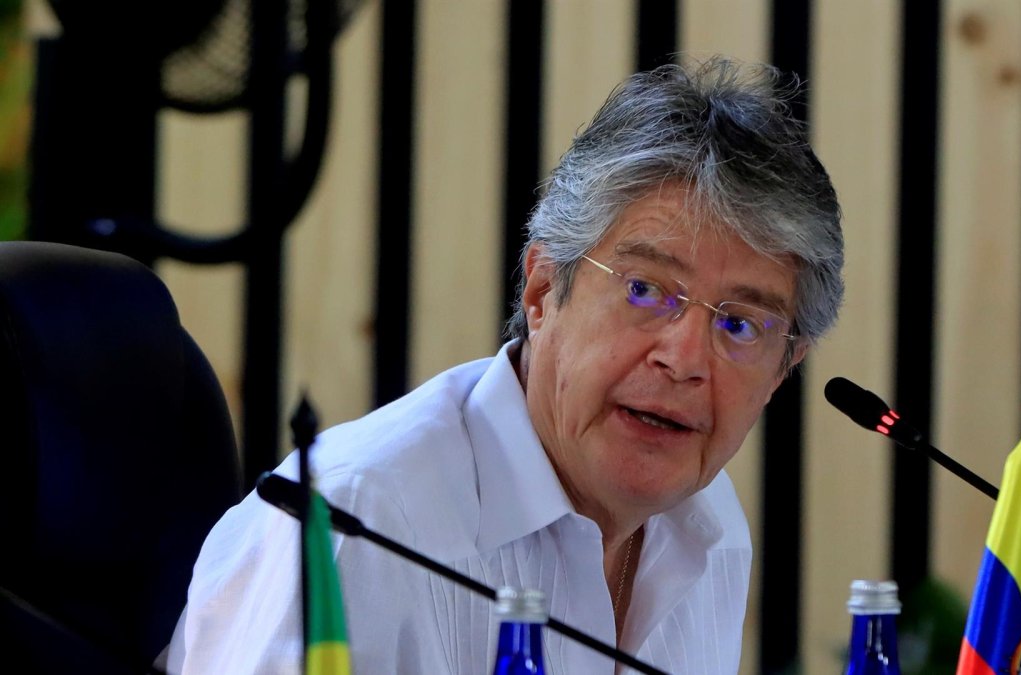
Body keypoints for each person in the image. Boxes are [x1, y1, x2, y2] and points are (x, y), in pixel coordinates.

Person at [167, 55, 844, 674]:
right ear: (545, 290)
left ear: (784, 367)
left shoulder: (711, 526)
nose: (685, 358)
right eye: (645, 289)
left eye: (740, 324)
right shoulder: (350, 527)